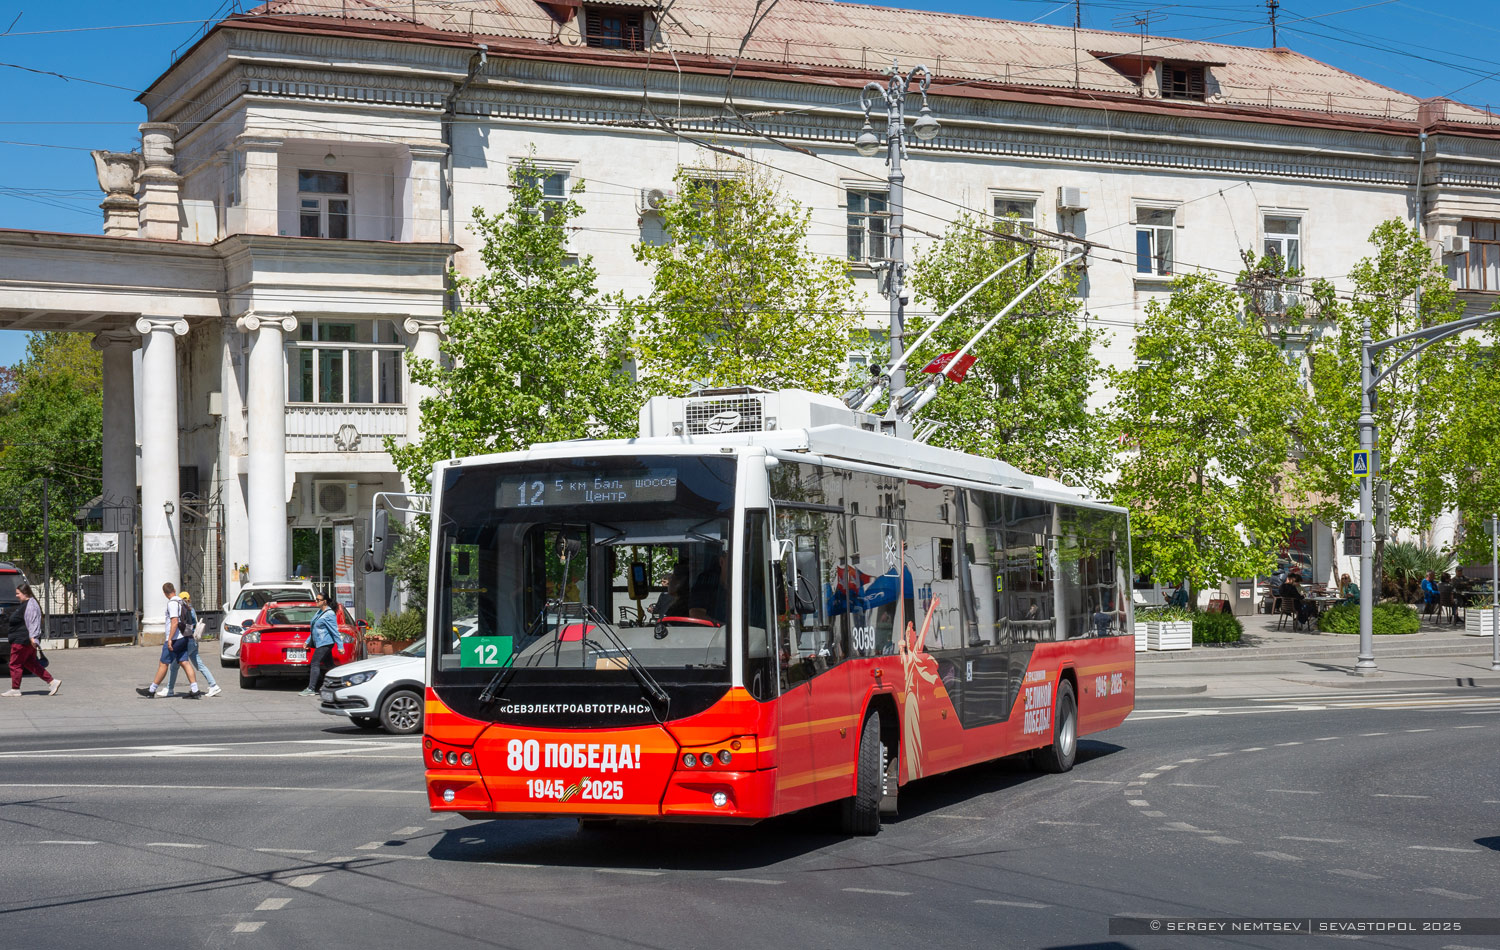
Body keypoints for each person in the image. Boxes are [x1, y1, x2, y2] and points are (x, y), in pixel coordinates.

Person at [136, 581, 202, 699]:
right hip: (184, 636)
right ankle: (195, 689)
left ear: (165, 593)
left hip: (175, 638)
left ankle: (151, 690)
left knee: (163, 663)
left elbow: (174, 622)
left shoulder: (172, 603)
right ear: (174, 590)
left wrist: (170, 639)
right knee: (185, 662)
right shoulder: (181, 601)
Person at [4, 582, 60, 697]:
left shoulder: (31, 605)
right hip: (24, 639)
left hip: (22, 640)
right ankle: (52, 681)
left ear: (25, 593)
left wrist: (33, 638)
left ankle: (15, 689)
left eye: (18, 593)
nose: (16, 596)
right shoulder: (28, 603)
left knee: (15, 664)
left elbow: (33, 622)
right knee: (30, 663)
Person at [163, 591, 222, 697]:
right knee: (199, 665)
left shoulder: (183, 609)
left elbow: (182, 625)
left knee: (174, 665)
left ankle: (169, 689)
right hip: (193, 640)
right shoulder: (191, 609)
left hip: (187, 640)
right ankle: (213, 685)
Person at [299, 591, 344, 697]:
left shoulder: (330, 614)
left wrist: (340, 646)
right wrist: (307, 641)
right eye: (316, 599)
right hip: (320, 643)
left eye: (318, 600)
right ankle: (342, 683)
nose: (316, 601)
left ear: (324, 602)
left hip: (326, 643)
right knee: (330, 665)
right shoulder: (319, 612)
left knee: (314, 663)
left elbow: (334, 631)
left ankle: (311, 688)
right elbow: (314, 628)